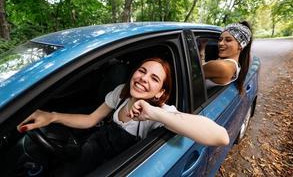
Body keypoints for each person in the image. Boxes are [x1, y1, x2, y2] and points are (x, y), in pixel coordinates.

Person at [17, 57, 229, 176]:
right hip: (89, 152)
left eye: (154, 78)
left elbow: (220, 136)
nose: (143, 78)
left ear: (160, 93)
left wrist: (153, 112)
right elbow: (91, 120)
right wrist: (52, 116)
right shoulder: (120, 91)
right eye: (141, 70)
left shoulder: (159, 113)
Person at [199, 21, 253, 93]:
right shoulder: (234, 65)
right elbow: (202, 67)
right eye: (220, 39)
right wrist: (202, 48)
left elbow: (191, 74)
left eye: (228, 40)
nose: (221, 43)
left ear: (240, 45)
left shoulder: (223, 66)